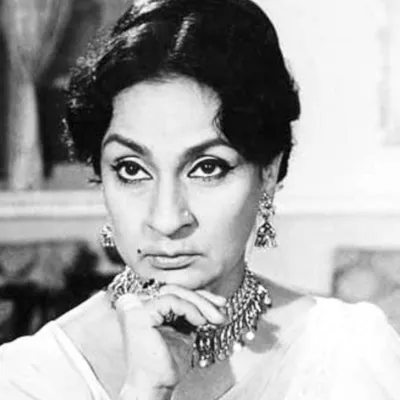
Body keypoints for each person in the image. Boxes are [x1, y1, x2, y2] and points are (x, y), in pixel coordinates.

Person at [1, 0, 400, 399]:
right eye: (131, 169)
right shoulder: (27, 378)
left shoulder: (349, 354)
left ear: (268, 172)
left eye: (207, 167)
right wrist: (144, 391)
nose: (167, 219)